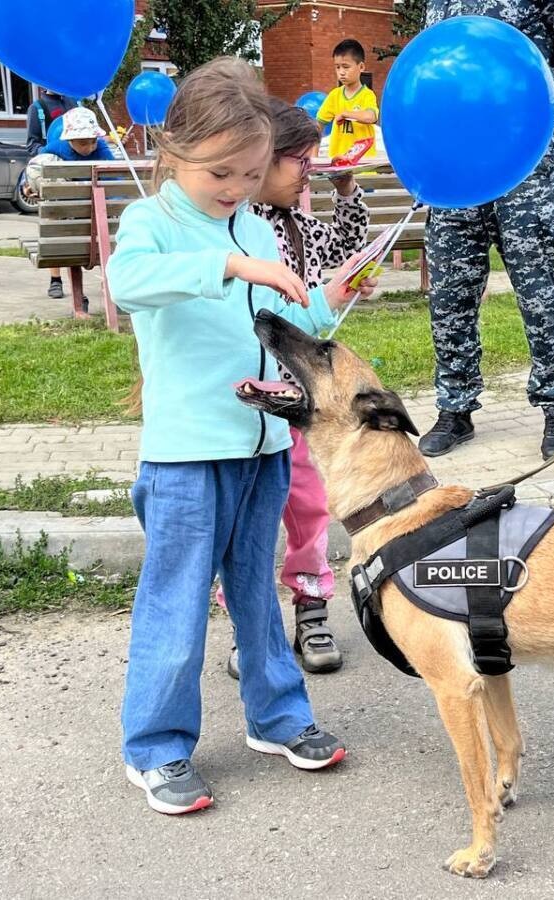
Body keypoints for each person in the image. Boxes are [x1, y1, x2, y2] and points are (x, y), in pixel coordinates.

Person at [106, 57, 377, 815]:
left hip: (261, 446)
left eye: (252, 174)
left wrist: (328, 297)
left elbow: (284, 327)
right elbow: (127, 283)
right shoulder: (152, 223)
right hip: (187, 455)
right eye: (221, 172)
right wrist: (228, 261)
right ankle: (156, 747)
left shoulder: (255, 224)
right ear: (174, 149)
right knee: (179, 601)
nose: (236, 189)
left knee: (258, 593)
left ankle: (278, 716)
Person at [218, 98, 371, 678]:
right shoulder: (235, 235)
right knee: (248, 520)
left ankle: (311, 608)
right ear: (261, 161)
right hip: (250, 400)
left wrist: (349, 190)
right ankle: (246, 625)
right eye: (299, 164)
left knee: (307, 509)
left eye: (313, 164)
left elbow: (346, 242)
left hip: (303, 404)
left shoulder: (303, 227)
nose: (308, 174)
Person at [417, 1, 554, 461]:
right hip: (455, 166)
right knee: (449, 293)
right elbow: (433, 64)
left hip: (525, 164)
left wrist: (535, 107)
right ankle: (454, 408)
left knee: (542, 292)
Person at [23, 107, 117, 302]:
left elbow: (32, 167)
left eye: (93, 141)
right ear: (69, 140)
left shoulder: (92, 147)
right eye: (84, 143)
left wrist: (28, 185)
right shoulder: (57, 149)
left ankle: (57, 281)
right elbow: (36, 169)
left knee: (59, 224)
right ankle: (101, 286)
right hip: (76, 220)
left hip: (85, 220)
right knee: (61, 220)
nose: (90, 147)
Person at [316, 39, 379, 160]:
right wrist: (313, 159)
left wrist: (346, 114)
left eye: (346, 67)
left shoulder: (367, 95)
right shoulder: (334, 96)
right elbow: (318, 126)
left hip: (363, 165)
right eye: (337, 67)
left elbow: (371, 117)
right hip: (338, 164)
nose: (341, 72)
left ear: (361, 67)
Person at [25, 88, 75, 155]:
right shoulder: (36, 108)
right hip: (52, 161)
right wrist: (47, 152)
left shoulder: (73, 103)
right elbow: (32, 145)